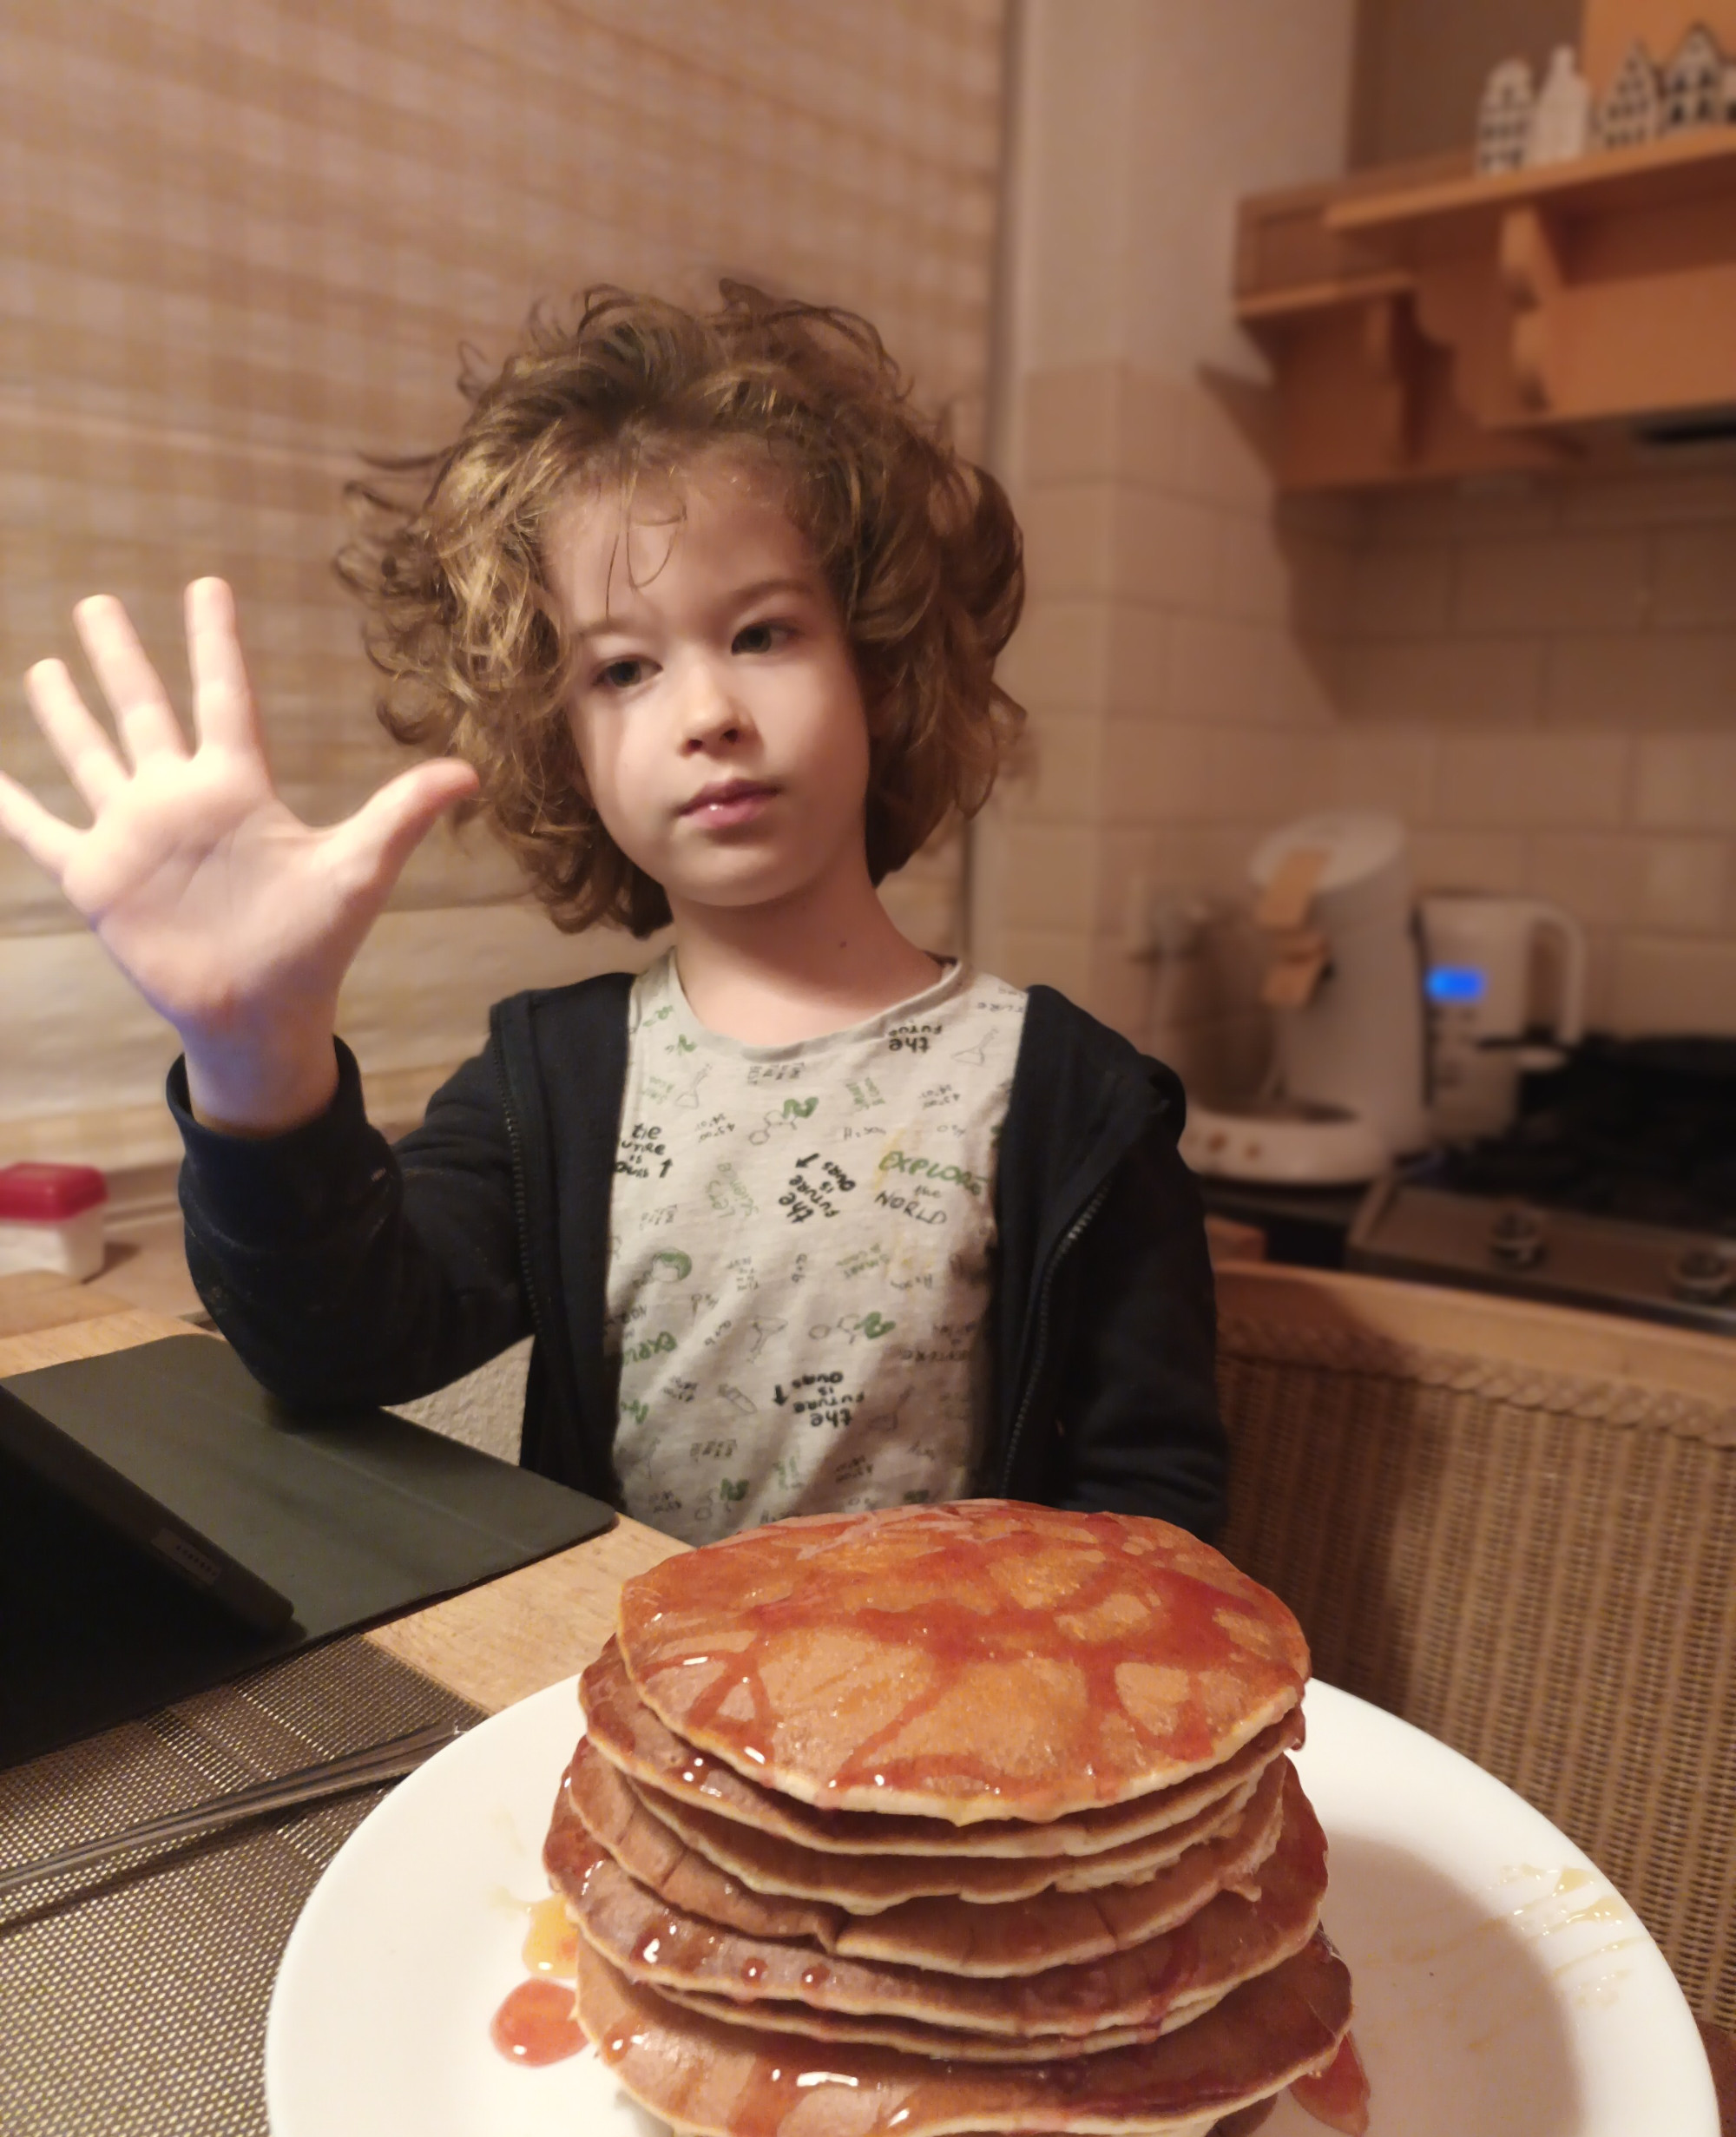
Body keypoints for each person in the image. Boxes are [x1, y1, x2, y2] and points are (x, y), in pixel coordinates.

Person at [0, 284, 1226, 1544]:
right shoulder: (552, 1082)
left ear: (881, 666)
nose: (706, 712)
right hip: (626, 1719)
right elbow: (338, 1344)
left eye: (762, 631)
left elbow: (1157, 1505)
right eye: (623, 668)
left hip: (938, 1725)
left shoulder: (1078, 1098)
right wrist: (253, 1055)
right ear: (562, 743)